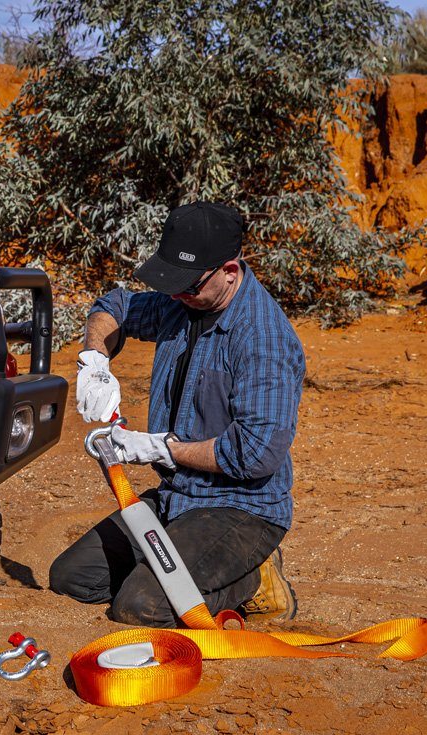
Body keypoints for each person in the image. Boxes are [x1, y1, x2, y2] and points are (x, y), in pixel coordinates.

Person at [49, 201, 304, 626]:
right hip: (178, 497)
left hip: (240, 509)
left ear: (229, 271)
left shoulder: (264, 340)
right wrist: (93, 360)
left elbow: (256, 454)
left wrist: (160, 448)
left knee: (140, 607)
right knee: (72, 577)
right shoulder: (183, 303)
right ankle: (175, 570)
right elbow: (114, 307)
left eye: (188, 284)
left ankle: (254, 579)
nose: (176, 293)